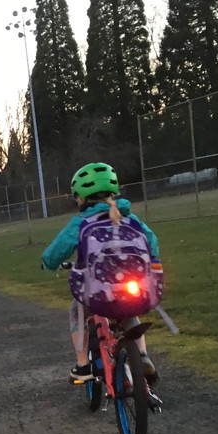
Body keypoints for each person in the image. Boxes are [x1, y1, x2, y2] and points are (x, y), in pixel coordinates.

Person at [41, 162, 161, 384]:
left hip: (96, 291)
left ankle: (82, 365)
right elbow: (152, 244)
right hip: (132, 286)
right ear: (114, 192)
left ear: (82, 198)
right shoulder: (131, 218)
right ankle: (142, 356)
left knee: (77, 312)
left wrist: (48, 264)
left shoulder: (80, 223)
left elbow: (56, 252)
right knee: (128, 311)